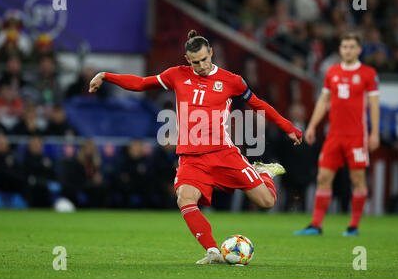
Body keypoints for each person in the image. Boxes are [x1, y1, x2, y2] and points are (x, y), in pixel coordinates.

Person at [89, 30, 303, 264]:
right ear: (187, 60)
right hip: (192, 158)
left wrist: (287, 126)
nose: (201, 65)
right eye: (195, 62)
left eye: (205, 59)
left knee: (267, 202)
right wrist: (106, 75)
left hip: (223, 153)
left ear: (211, 53)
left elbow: (258, 104)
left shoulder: (232, 81)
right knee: (184, 197)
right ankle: (212, 251)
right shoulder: (176, 75)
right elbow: (141, 83)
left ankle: (264, 172)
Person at [294, 32, 380, 237]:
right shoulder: (332, 72)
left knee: (357, 179)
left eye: (351, 47)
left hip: (357, 137)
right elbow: (323, 101)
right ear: (340, 49)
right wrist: (313, 125)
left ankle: (353, 226)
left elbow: (374, 105)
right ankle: (316, 225)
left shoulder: (368, 74)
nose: (348, 50)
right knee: (323, 177)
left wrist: (374, 133)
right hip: (334, 136)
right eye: (344, 47)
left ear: (359, 50)